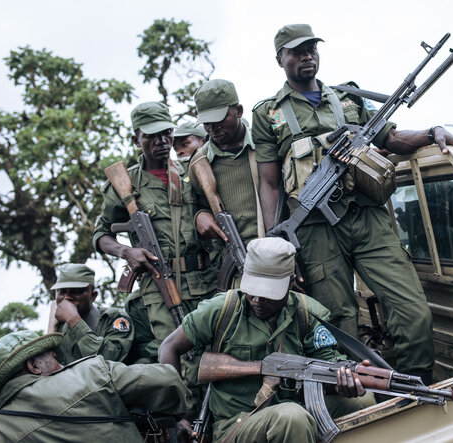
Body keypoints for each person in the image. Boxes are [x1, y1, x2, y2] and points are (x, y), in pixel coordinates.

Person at [252, 24, 453, 382]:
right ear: (280, 59)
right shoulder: (268, 114)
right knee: (337, 322)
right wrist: (279, 240)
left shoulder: (348, 98)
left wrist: (431, 133)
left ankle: (416, 385)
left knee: (412, 310)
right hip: (315, 232)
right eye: (296, 51)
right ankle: (360, 399)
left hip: (367, 218)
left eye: (311, 49)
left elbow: (391, 137)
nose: (307, 56)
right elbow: (270, 184)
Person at [160, 237, 375, 443]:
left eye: (268, 293)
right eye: (253, 290)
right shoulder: (222, 310)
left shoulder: (308, 314)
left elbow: (327, 371)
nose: (257, 300)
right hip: (237, 423)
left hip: (295, 411)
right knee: (292, 417)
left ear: (290, 283)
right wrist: (179, 414)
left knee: (363, 401)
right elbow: (169, 347)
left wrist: (341, 385)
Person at [92, 102, 220, 408]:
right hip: (157, 283)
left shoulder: (191, 173)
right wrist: (126, 251)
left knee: (212, 351)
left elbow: (211, 207)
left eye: (166, 134)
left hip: (203, 278)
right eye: (152, 136)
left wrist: (202, 213)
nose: (162, 142)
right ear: (136, 138)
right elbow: (101, 235)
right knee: (172, 355)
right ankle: (183, 419)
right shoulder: (126, 184)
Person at [0, 330, 192, 442]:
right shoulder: (90, 373)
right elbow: (167, 380)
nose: (62, 364)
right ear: (33, 366)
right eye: (54, 357)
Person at [190, 79, 265, 287]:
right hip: (234, 263)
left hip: (274, 250)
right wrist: (199, 216)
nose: (213, 129)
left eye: (220, 120)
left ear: (239, 111)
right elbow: (194, 205)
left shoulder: (265, 144)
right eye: (207, 123)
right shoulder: (199, 163)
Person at [47, 263, 133, 365]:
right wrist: (52, 327)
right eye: (62, 291)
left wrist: (74, 321)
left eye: (75, 291)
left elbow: (110, 359)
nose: (67, 297)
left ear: (93, 296)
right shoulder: (59, 326)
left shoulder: (114, 319)